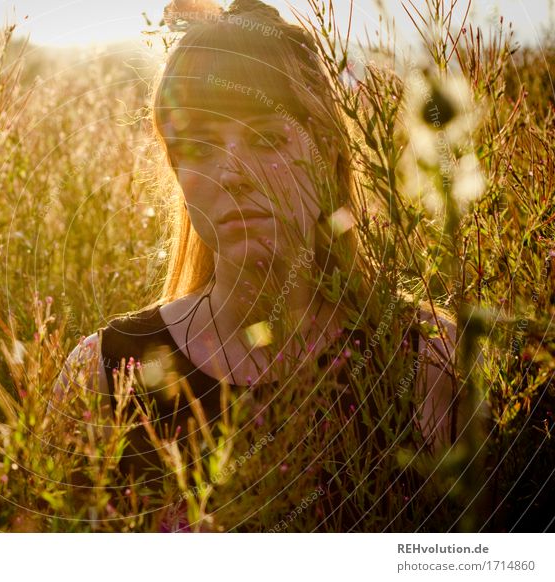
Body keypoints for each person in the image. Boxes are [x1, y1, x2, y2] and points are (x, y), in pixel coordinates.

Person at [53, 0, 463, 528]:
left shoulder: (427, 359)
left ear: (330, 153)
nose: (233, 172)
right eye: (198, 148)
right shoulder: (106, 374)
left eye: (266, 137)